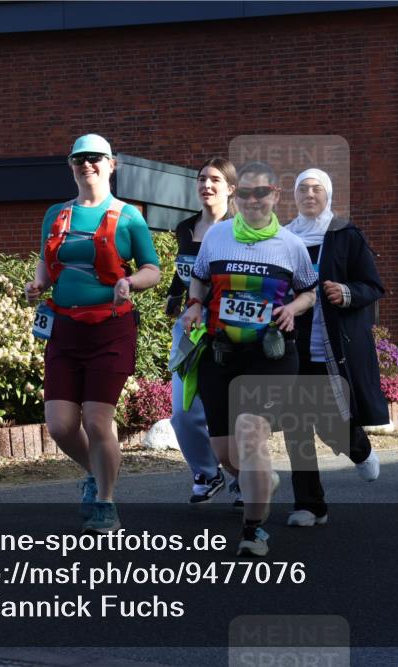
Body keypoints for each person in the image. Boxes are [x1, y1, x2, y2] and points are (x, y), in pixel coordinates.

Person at [25, 133, 161, 532]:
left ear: (111, 164)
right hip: (65, 328)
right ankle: (98, 472)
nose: (87, 165)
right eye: (79, 159)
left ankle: (106, 501)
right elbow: (47, 265)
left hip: (111, 329)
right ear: (71, 165)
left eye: (95, 158)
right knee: (61, 426)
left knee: (99, 423)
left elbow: (152, 267)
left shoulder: (130, 216)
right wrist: (38, 285)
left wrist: (132, 283)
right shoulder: (55, 214)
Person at [182, 161, 318, 556]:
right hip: (221, 352)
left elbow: (309, 291)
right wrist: (194, 305)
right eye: (245, 193)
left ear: (276, 195)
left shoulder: (291, 245)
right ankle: (260, 479)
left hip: (270, 355)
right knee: (226, 453)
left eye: (262, 193)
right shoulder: (218, 237)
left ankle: (254, 530)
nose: (253, 200)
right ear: (236, 196)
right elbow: (201, 278)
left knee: (250, 430)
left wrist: (294, 307)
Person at [282, 168, 386, 527]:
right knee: (296, 424)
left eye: (317, 189)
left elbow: (372, 285)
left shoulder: (345, 234)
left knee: (331, 424)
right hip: (292, 346)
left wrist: (347, 293)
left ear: (328, 195)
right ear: (293, 196)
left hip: (330, 346)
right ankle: (309, 505)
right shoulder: (282, 237)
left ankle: (359, 448)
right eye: (302, 189)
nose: (309, 195)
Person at [166, 158, 238, 504]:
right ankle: (207, 474)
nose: (206, 185)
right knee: (182, 409)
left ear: (230, 189)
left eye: (215, 180)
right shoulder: (185, 227)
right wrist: (172, 303)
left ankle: (243, 477)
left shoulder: (240, 228)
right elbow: (181, 273)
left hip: (229, 332)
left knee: (232, 409)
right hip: (189, 331)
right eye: (202, 179)